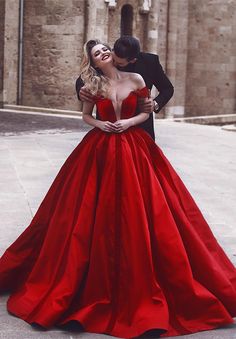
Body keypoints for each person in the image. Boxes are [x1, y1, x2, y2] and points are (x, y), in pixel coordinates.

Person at [0, 39, 236, 339]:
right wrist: (98, 120)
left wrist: (147, 110)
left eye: (105, 51)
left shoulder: (143, 69)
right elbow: (85, 107)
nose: (105, 54)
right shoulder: (92, 82)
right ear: (97, 60)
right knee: (86, 213)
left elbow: (161, 93)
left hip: (138, 143)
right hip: (99, 150)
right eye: (98, 53)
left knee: (151, 210)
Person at [76, 35, 174, 140]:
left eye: (119, 63)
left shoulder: (150, 62)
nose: (115, 62)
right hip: (108, 129)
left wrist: (154, 104)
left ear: (132, 60)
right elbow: (84, 78)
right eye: (113, 55)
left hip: (141, 128)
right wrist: (81, 90)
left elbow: (167, 88)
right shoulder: (108, 57)